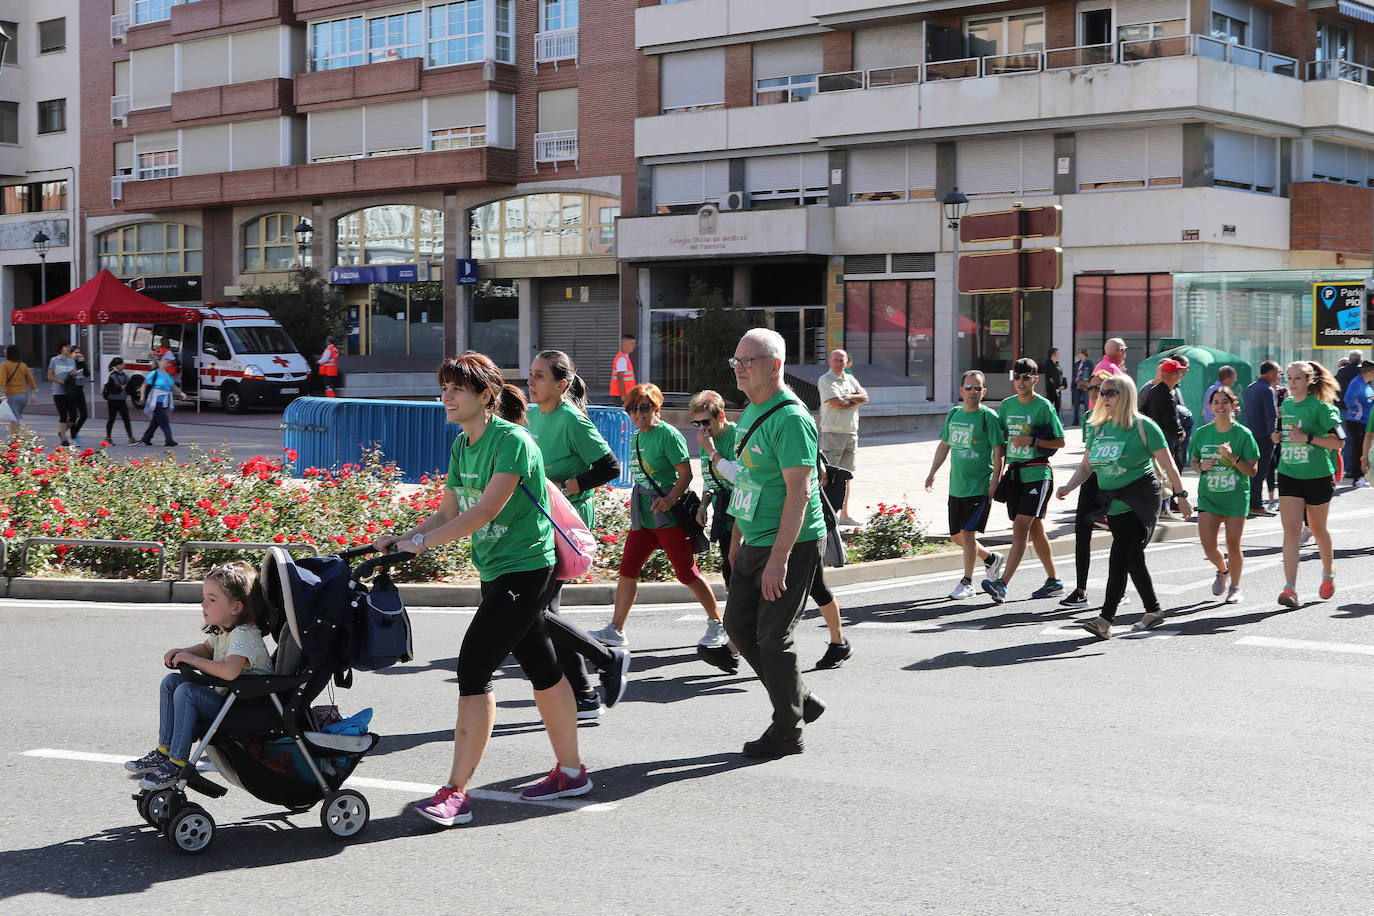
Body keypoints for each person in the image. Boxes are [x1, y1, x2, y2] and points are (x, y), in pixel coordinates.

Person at [381, 352, 591, 827]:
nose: (447, 396)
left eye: (458, 388)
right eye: (445, 388)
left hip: (528, 569)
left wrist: (422, 545)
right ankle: (573, 772)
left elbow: (484, 512)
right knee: (541, 664)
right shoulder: (462, 446)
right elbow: (447, 512)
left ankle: (456, 792)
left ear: (485, 395)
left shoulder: (512, 441)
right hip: (494, 569)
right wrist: (402, 538)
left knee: (474, 666)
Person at [721, 328, 828, 758]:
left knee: (773, 638)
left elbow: (799, 493)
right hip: (754, 538)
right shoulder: (752, 410)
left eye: (749, 361)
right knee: (737, 626)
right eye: (737, 361)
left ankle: (787, 731)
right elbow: (748, 480)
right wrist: (736, 538)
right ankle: (799, 698)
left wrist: (778, 559)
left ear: (775, 365)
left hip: (792, 542)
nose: (740, 368)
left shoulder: (791, 419)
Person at [695, 390, 852, 671]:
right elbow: (743, 485)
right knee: (805, 588)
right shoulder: (750, 429)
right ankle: (734, 651)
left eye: (705, 422)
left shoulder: (786, 423)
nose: (702, 429)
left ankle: (834, 646)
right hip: (765, 520)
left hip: (799, 528)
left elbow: (746, 479)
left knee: (804, 590)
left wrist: (712, 453)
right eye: (697, 424)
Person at [526, 350, 631, 719]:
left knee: (538, 610)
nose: (531, 382)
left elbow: (609, 466)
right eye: (531, 374)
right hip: (542, 519)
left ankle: (604, 663)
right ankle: (585, 694)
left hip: (566, 523)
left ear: (561, 384)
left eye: (540, 376)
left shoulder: (573, 419)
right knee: (545, 612)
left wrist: (568, 487)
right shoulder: (535, 414)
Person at [590, 383, 726, 653]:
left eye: (644, 407)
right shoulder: (638, 435)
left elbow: (685, 474)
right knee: (627, 570)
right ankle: (616, 629)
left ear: (656, 408)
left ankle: (716, 622)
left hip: (667, 514)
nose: (638, 413)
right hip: (644, 514)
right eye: (632, 408)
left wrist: (669, 500)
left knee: (686, 573)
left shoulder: (668, 435)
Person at [1056, 375, 1192, 639]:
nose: (1104, 397)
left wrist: (1182, 495)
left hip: (1140, 498)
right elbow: (1086, 466)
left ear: (1126, 395)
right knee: (1132, 558)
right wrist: (1069, 487)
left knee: (1119, 556)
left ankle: (1105, 620)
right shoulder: (1099, 427)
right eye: (1102, 393)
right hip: (1113, 500)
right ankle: (1153, 610)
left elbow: (1169, 464)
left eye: (1110, 393)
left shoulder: (1144, 426)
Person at [125, 562, 273, 789]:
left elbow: (229, 671)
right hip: (230, 702)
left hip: (246, 710)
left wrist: (191, 661)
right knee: (172, 682)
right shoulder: (226, 629)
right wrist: (183, 653)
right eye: (205, 597)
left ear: (236, 608)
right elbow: (206, 649)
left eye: (212, 599)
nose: (203, 604)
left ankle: (177, 763)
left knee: (187, 691)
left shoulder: (244, 635)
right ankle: (164, 750)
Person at [981, 358, 1065, 603]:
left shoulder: (1044, 406)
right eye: (1017, 377)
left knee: (1019, 528)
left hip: (1038, 474)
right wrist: (995, 479)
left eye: (1026, 377)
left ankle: (1001, 584)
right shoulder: (1006, 406)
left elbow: (1060, 441)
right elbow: (1000, 446)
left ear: (1035, 380)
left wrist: (1032, 441)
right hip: (1015, 475)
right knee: (1035, 529)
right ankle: (1054, 581)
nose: (1020, 382)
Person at [926, 369, 1006, 599]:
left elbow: (998, 449)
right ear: (961, 390)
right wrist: (932, 472)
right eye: (969, 388)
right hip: (957, 486)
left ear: (984, 391)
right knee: (956, 537)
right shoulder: (953, 414)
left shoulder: (988, 417)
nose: (973, 392)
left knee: (968, 533)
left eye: (977, 388)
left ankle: (967, 582)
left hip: (979, 486)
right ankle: (991, 559)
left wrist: (995, 480)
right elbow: (944, 445)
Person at [1273, 361, 1343, 608]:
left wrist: (1308, 438)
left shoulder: (1322, 408)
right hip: (1289, 473)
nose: (1292, 383)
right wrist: (1278, 437)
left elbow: (1339, 442)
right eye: (1289, 378)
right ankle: (1290, 589)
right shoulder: (1286, 404)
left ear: (1310, 381)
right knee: (1291, 531)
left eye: (1298, 378)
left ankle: (1328, 572)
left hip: (1317, 476)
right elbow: (1286, 432)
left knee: (1318, 528)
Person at [1056, 370, 1127, 609]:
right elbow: (1087, 461)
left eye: (1104, 390)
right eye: (1094, 389)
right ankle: (1080, 590)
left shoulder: (1123, 420)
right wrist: (1069, 486)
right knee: (1081, 535)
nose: (1097, 394)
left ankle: (1119, 590)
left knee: (1122, 538)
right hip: (1091, 483)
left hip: (1114, 483)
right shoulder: (1090, 419)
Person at [1190, 385, 1259, 604]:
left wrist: (1233, 458)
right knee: (1208, 544)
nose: (1220, 406)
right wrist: (1202, 466)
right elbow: (1193, 462)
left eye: (1225, 402)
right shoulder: (1202, 433)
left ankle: (1236, 587)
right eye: (1216, 402)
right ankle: (1223, 570)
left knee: (1233, 544)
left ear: (1233, 405)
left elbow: (1253, 470)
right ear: (1210, 407)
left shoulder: (1243, 434)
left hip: (1235, 496)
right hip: (1209, 497)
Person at [817, 348, 868, 525]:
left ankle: (844, 515)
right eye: (836, 360)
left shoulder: (851, 379)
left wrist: (846, 398)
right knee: (829, 475)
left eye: (842, 360)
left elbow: (865, 396)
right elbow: (836, 403)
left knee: (847, 476)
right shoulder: (826, 380)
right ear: (830, 361)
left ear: (847, 362)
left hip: (851, 432)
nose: (839, 363)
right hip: (833, 432)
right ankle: (828, 513)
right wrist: (853, 399)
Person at [1141, 357, 1186, 516]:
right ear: (1172, 375)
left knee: (1159, 472)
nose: (1181, 374)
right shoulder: (1167, 393)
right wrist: (1180, 432)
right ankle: (1163, 508)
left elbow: (1143, 411)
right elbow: (1171, 419)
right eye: (1178, 372)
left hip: (1155, 437)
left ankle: (1160, 507)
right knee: (1166, 472)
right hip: (1165, 438)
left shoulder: (1156, 390)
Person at [1244, 360, 1281, 517]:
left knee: (1251, 470)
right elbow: (1271, 415)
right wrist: (1273, 434)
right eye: (1279, 373)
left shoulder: (1251, 387)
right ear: (1271, 373)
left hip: (1251, 434)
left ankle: (1250, 502)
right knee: (1261, 471)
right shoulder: (1267, 390)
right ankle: (1256, 504)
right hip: (1264, 436)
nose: (1279, 377)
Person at [139, 355, 183, 448]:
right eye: (164, 360)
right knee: (164, 420)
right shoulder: (154, 373)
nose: (166, 361)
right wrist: (142, 397)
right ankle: (169, 440)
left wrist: (181, 393)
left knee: (155, 422)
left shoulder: (167, 373)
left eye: (167, 360)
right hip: (157, 402)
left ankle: (146, 437)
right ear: (158, 361)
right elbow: (144, 385)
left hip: (166, 401)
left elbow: (172, 386)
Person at [1343, 358, 1373, 489]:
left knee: (1361, 447)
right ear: (1371, 372)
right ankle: (1357, 477)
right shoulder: (1357, 382)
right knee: (1358, 448)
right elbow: (1348, 398)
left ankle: (1360, 475)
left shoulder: (1366, 384)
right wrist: (1357, 410)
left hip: (1364, 420)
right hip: (1357, 421)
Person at [1335, 348, 1364, 480]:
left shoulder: (1341, 372)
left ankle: (1348, 468)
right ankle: (1360, 468)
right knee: (1361, 439)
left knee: (1346, 438)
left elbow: (1335, 387)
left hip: (1343, 409)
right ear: (1361, 360)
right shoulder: (1363, 371)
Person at [1, 345, 39, 439]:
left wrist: (1, 392)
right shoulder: (23, 365)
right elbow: (31, 380)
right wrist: (33, 393)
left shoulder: (5, 365)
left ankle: (14, 440)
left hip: (11, 395)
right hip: (23, 396)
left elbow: (2, 380)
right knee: (16, 416)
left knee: (14, 418)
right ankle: (15, 439)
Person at [47, 342, 81, 447]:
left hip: (69, 391)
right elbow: (49, 376)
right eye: (66, 347)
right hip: (58, 391)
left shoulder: (71, 360)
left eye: (69, 347)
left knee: (74, 415)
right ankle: (63, 439)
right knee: (63, 415)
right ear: (60, 348)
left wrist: (74, 374)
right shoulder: (54, 360)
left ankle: (62, 432)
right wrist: (60, 381)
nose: (68, 349)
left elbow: (74, 374)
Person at [104, 357, 136, 445]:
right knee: (112, 419)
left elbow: (130, 388)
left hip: (122, 400)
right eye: (121, 364)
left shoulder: (125, 376)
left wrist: (136, 397)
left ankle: (131, 438)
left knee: (126, 419)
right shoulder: (112, 376)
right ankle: (108, 437)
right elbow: (112, 388)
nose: (123, 365)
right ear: (117, 366)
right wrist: (121, 387)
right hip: (113, 400)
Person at [610, 333, 637, 401]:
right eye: (632, 343)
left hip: (624, 394)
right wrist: (623, 395)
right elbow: (620, 378)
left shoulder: (624, 357)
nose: (634, 346)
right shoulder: (622, 359)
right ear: (624, 344)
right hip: (622, 395)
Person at [1071, 348, 1094, 425]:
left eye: (1080, 353)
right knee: (1076, 404)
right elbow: (1074, 375)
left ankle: (1087, 420)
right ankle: (1076, 421)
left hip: (1085, 386)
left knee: (1086, 404)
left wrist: (1090, 385)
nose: (1079, 355)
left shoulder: (1089, 363)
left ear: (1084, 354)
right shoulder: (1076, 364)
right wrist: (1072, 386)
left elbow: (1092, 374)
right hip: (1076, 386)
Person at [1043, 348, 1066, 416]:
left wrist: (1063, 384)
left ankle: (1057, 421)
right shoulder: (1048, 364)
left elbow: (1059, 375)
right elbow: (1050, 377)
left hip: (1058, 388)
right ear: (1053, 355)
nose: (1058, 355)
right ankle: (1050, 421)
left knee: (1057, 405)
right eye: (1057, 354)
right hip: (1052, 388)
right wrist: (1057, 386)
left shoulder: (1056, 364)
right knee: (1051, 405)